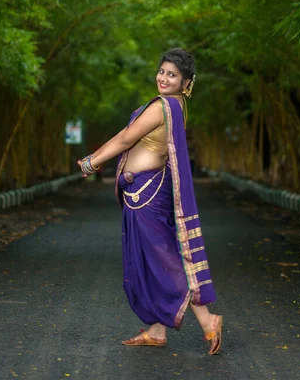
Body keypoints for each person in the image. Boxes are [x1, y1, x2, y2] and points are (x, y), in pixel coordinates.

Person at [78, 48, 222, 355]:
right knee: (146, 261)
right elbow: (126, 134)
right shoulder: (174, 106)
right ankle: (157, 331)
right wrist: (97, 158)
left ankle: (209, 320)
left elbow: (126, 141)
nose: (164, 78)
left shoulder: (165, 106)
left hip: (148, 196)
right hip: (144, 192)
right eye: (162, 71)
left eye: (173, 75)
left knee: (162, 260)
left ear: (186, 83)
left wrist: (92, 162)